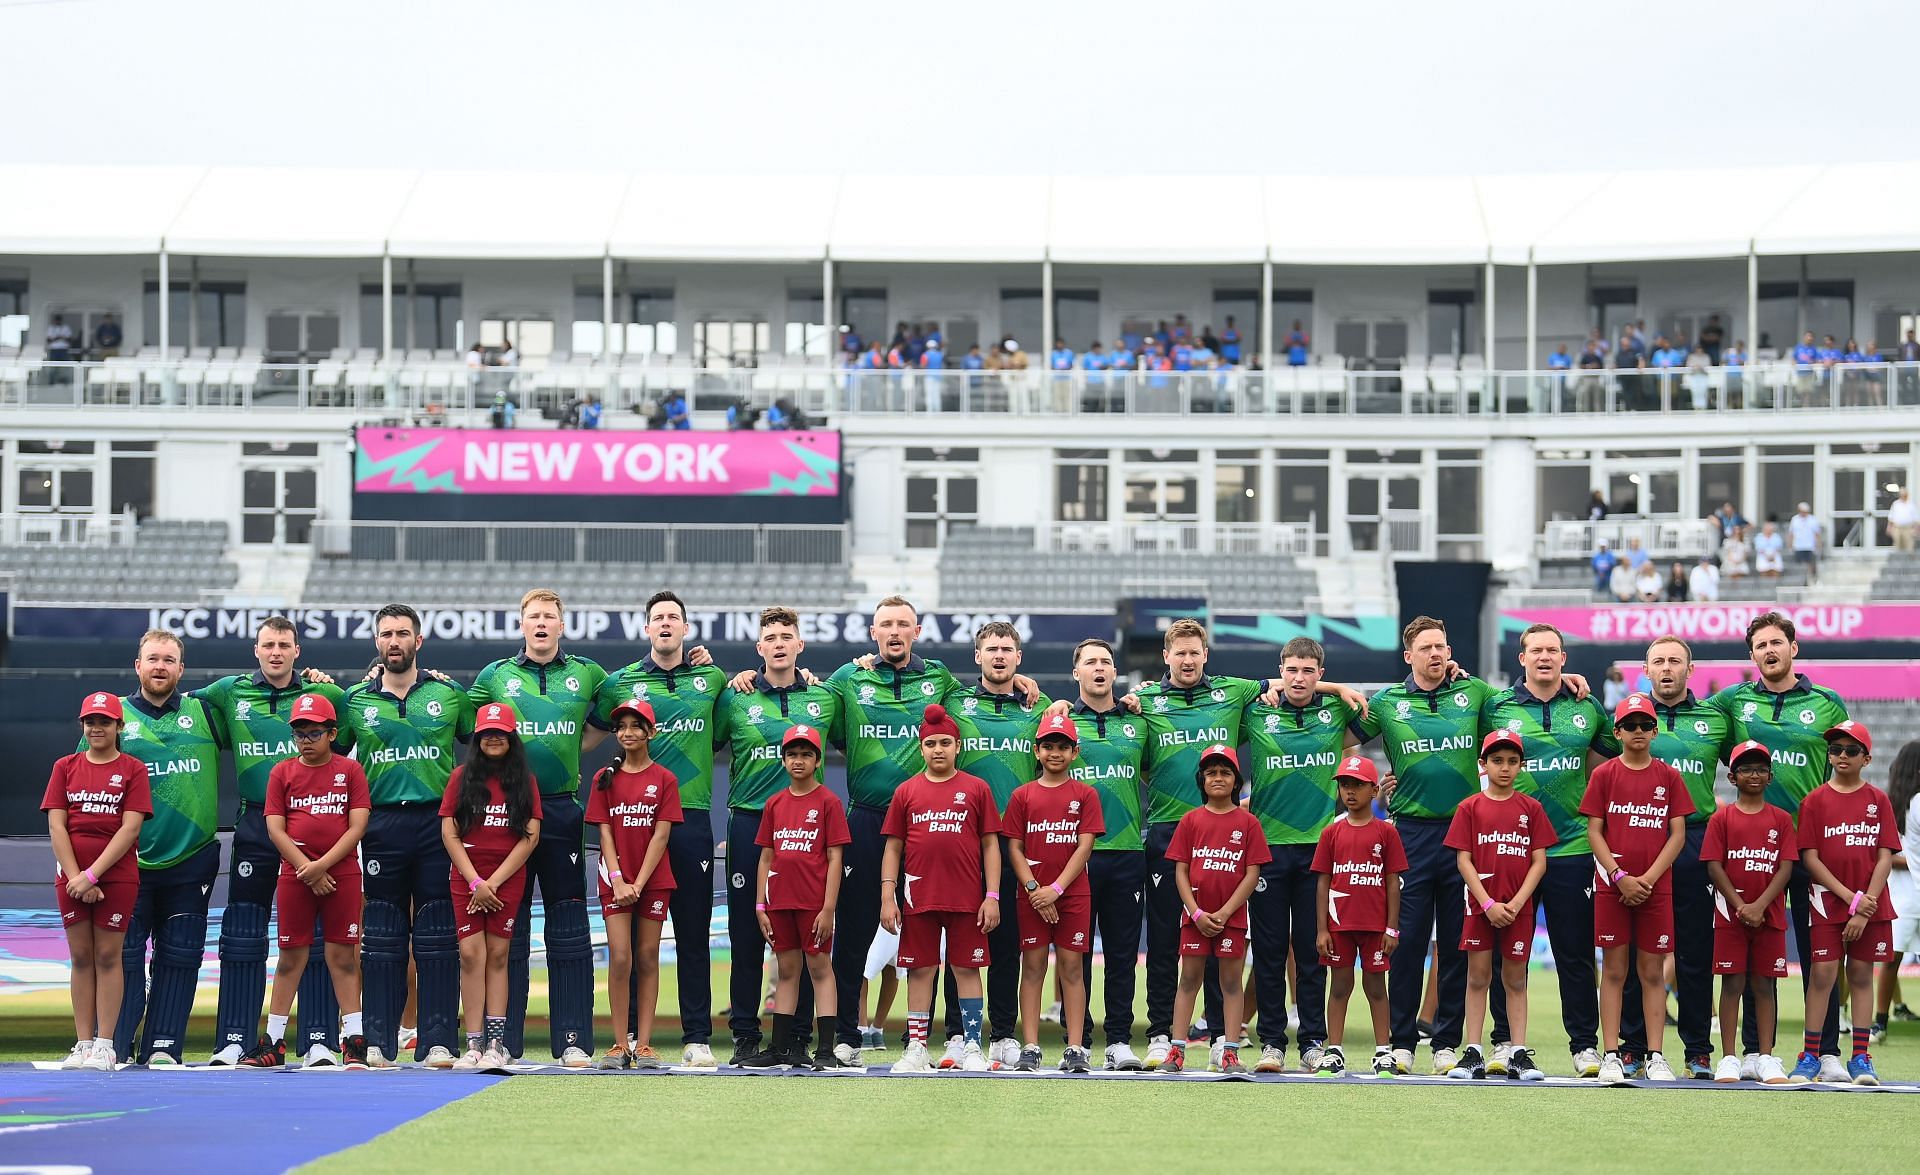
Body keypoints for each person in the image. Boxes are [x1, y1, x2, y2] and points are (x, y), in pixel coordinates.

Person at [1346, 616, 1499, 1076]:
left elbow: (1525, 700)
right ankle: (1401, 1042)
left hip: (1465, 835)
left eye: (1442, 646)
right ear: (1408, 656)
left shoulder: (1473, 693)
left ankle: (1446, 1043)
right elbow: (1335, 733)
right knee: (1407, 942)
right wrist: (1334, 689)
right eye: (1427, 647)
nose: (1436, 654)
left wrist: (1567, 678)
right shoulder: (1389, 703)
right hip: (1409, 833)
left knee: (1456, 943)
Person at [465, 590, 606, 1066]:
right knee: (510, 931)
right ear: (521, 625)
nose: (541, 623)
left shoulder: (586, 673)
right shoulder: (494, 676)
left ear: (562, 625)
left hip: (563, 809)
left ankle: (573, 1041)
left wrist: (578, 747)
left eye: (549, 616)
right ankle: (506, 1043)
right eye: (533, 617)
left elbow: (616, 709)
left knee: (568, 927)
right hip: (507, 812)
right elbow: (466, 725)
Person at [197, 618, 347, 1066]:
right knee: (244, 934)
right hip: (257, 828)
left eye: (284, 644)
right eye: (268, 645)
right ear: (255, 650)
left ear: (297, 651)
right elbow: (173, 710)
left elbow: (363, 716)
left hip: (314, 833)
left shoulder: (329, 696)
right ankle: (235, 1040)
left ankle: (320, 1040)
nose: (276, 651)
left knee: (317, 938)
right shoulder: (227, 692)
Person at [590, 591, 729, 1067]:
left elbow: (730, 730)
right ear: (646, 629)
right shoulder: (620, 683)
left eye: (673, 617)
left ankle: (696, 1036)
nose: (665, 623)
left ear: (686, 629)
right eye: (657, 618)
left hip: (687, 818)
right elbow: (584, 729)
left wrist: (744, 674)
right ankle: (627, 1037)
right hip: (632, 823)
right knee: (627, 943)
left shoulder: (711, 678)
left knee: (692, 932)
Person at [336, 603, 478, 1068]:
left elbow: (482, 744)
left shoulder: (449, 695)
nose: (394, 641)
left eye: (402, 633)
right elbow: (327, 755)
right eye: (386, 634)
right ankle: (377, 1040)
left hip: (437, 825)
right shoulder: (356, 700)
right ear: (377, 643)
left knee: (437, 934)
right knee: (381, 937)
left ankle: (439, 1040)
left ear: (418, 641)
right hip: (381, 826)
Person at [1710, 611, 1851, 1071]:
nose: (1769, 651)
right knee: (1755, 953)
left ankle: (1825, 1051)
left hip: (1813, 849)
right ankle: (1755, 1052)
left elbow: (1842, 769)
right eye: (1760, 646)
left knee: (1820, 955)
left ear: (1794, 648)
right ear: (1751, 656)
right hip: (1755, 848)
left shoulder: (1829, 703)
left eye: (1776, 643)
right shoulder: (1733, 701)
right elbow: (1675, 707)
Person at [1481, 624, 1616, 1076]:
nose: (1544, 656)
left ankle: (1584, 1046)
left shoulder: (1587, 706)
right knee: (1506, 954)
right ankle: (1502, 1042)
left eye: (1552, 650)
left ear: (1564, 658)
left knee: (1574, 952)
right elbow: (1466, 751)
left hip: (1572, 847)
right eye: (1535, 650)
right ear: (1521, 659)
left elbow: (1606, 766)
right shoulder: (1496, 706)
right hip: (1511, 849)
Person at [715, 607, 841, 1063]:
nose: (780, 642)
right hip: (751, 823)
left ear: (800, 645)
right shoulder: (734, 698)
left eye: (788, 635)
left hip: (807, 829)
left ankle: (800, 1039)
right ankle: (746, 1037)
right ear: (760, 648)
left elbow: (856, 729)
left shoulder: (826, 698)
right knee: (748, 936)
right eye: (771, 636)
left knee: (808, 940)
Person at [106, 631, 226, 1068]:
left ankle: (163, 1044)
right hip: (127, 860)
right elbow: (86, 782)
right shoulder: (113, 716)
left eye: (169, 660)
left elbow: (271, 722)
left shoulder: (206, 712)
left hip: (192, 858)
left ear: (181, 669)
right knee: (124, 956)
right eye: (152, 659)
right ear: (137, 666)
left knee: (180, 957)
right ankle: (114, 1044)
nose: (160, 666)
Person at [1243, 636, 1359, 1073]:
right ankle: (1272, 1041)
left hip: (1318, 851)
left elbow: (1378, 710)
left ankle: (1312, 1040)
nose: (1299, 678)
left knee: (1314, 951)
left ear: (1320, 674)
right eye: (1291, 670)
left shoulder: (1335, 714)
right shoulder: (1257, 710)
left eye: (1309, 671)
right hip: (1268, 850)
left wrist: (1336, 692)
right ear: (1281, 670)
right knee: (1270, 952)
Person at [1623, 636, 1735, 1080]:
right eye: (1658, 662)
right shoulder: (1628, 720)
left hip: (1694, 842)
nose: (1667, 668)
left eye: (1675, 661)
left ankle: (1697, 1049)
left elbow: (1753, 766)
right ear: (1646, 670)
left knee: (1693, 950)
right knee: (1635, 952)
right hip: (1638, 837)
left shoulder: (1715, 719)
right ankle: (1632, 1048)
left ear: (1690, 669)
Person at [244, 694, 369, 1069]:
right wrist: (306, 868)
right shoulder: (282, 772)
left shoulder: (349, 771)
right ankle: (274, 1043)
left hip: (341, 874)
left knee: (342, 957)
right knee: (290, 957)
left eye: (315, 732)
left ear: (332, 733)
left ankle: (354, 1042)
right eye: (300, 733)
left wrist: (323, 866)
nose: (306, 740)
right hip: (295, 876)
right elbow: (275, 827)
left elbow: (358, 824)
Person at [882, 704, 1001, 1073]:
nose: (938, 749)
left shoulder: (977, 789)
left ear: (957, 746)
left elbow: (990, 845)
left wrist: (992, 895)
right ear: (921, 748)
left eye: (945, 742)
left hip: (967, 898)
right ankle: (917, 1046)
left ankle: (971, 1047)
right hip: (919, 899)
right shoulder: (906, 792)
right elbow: (893, 847)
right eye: (931, 743)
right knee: (920, 970)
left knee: (967, 969)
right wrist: (888, 895)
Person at [1583, 694, 1693, 1083]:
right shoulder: (1604, 774)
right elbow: (1594, 831)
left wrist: (1647, 878)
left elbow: (1677, 834)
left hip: (1654, 889)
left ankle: (1655, 1055)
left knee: (1652, 972)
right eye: (1630, 725)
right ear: (1617, 732)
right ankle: (1611, 1053)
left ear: (1655, 729)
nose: (1639, 732)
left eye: (1646, 725)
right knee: (1613, 970)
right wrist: (1619, 876)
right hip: (1613, 887)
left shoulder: (1668, 776)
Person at [47, 691, 151, 1071]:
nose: (96, 728)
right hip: (71, 878)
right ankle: (83, 1042)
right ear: (82, 726)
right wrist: (76, 876)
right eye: (90, 721)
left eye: (105, 721)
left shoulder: (132, 769)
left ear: (119, 727)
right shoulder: (65, 766)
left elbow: (130, 828)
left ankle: (106, 1044)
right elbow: (57, 825)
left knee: (109, 957)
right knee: (81, 957)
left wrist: (91, 875)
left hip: (116, 878)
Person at [1791, 720, 1899, 1085]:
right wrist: (1850, 900)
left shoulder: (1878, 800)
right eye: (1835, 750)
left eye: (1850, 750)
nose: (1841, 756)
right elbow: (1810, 859)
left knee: (1861, 975)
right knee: (1822, 976)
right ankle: (1811, 1055)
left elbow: (1885, 856)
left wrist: (1865, 903)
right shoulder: (1815, 801)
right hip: (1829, 901)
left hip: (1870, 905)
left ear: (1866, 758)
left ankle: (1861, 1058)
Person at [1444, 730, 1553, 1082]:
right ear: (1483, 764)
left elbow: (1539, 861)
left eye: (1511, 761)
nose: (1504, 768)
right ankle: (1473, 1051)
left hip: (1517, 909)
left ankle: (1517, 1053)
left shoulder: (1531, 808)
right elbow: (1464, 861)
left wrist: (1518, 901)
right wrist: (1488, 902)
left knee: (1514, 979)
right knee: (1477, 978)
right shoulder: (1469, 807)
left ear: (1521, 766)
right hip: (1480, 908)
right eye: (1497, 761)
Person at [1064, 638, 1151, 1069]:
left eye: (1106, 662)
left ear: (1115, 672)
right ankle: (1074, 1041)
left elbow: (1155, 771)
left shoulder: (1139, 722)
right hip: (1073, 859)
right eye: (1090, 662)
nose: (1099, 668)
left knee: (1121, 955)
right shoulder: (1060, 723)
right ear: (1076, 672)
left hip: (1127, 854)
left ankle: (1118, 1040)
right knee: (1073, 955)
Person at [440, 704, 542, 1070]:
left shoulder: (524, 781)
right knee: (470, 955)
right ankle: (473, 1044)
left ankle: (497, 1043)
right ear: (477, 738)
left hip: (506, 881)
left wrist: (494, 883)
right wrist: (475, 881)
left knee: (499, 956)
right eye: (486, 733)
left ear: (512, 738)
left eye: (500, 732)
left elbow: (530, 837)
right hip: (468, 880)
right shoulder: (461, 777)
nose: (493, 738)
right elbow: (449, 833)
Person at [743, 724, 849, 1069]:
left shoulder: (829, 802)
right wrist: (761, 905)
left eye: (806, 754)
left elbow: (835, 857)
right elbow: (766, 856)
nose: (798, 760)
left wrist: (828, 907)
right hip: (780, 902)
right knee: (787, 970)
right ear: (783, 760)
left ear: (818, 761)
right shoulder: (774, 803)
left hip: (813, 904)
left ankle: (825, 1049)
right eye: (792, 754)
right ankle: (779, 1048)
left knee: (820, 968)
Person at [1003, 713, 1102, 1072]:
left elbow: (1084, 846)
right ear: (1036, 751)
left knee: (1072, 968)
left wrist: (1056, 890)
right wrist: (1033, 889)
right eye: (1048, 746)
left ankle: (1075, 1047)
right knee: (1032, 966)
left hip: (1072, 895)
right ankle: (1030, 1046)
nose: (1055, 753)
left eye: (1063, 747)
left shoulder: (1085, 794)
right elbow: (1014, 847)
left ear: (1075, 752)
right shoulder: (1022, 795)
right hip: (1031, 896)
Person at [586, 698, 680, 1069]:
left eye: (635, 726)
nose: (627, 733)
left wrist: (638, 883)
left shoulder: (665, 779)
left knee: (647, 957)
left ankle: (644, 1045)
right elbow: (604, 834)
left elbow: (661, 836)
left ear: (650, 732)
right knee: (621, 957)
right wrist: (618, 879)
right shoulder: (603, 778)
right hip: (615, 881)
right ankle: (619, 1044)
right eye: (621, 726)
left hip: (652, 882)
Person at [1164, 745, 1268, 1074]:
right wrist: (1195, 912)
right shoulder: (1190, 820)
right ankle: (1176, 1050)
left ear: (1237, 780)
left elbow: (1253, 873)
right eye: (1211, 773)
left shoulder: (1248, 823)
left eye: (1225, 773)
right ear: (1202, 780)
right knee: (1189, 980)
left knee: (1231, 983)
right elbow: (1180, 870)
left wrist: (1225, 912)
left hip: (1232, 920)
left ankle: (1230, 1051)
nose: (1218, 778)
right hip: (1194, 919)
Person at [1702, 739, 1797, 1085]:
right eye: (1745, 769)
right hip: (1731, 915)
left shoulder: (1782, 819)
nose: (1753, 775)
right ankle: (1728, 1057)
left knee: (1764, 984)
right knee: (1732, 983)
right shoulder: (1722, 818)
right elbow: (1714, 865)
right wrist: (1741, 905)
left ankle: (1766, 1057)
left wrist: (1759, 905)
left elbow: (1785, 867)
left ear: (1770, 776)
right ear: (1732, 776)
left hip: (1768, 914)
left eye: (1759, 769)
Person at [1310, 755, 1404, 1077]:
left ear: (1374, 789)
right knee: (1339, 986)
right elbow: (1323, 882)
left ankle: (1383, 1052)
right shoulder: (1331, 832)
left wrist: (1392, 929)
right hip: (1340, 926)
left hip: (1375, 926)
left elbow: (1393, 883)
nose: (1350, 792)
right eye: (1345, 785)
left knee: (1376, 987)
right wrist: (1322, 929)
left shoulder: (1386, 832)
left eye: (1358, 785)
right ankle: (1334, 1050)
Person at [1875, 741, 1920, 1041]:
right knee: (1890, 959)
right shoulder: (1914, 803)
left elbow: (1882, 855)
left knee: (1889, 960)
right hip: (1909, 892)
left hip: (1899, 895)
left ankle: (1880, 1023)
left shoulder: (1888, 803)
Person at [1788, 502, 1822, 575]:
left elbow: (1817, 534)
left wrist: (1818, 545)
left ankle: (1809, 578)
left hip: (1810, 546)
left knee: (1810, 563)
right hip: (1798, 546)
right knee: (1799, 564)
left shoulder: (1813, 519)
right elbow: (1791, 534)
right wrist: (1790, 545)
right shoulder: (1794, 519)